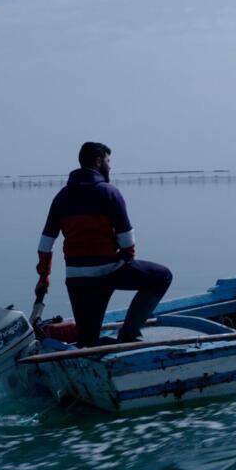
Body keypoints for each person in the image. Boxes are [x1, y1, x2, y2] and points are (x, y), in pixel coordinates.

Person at [35, 142, 172, 347]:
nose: (110, 167)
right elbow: (127, 241)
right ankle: (129, 334)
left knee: (87, 343)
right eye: (108, 162)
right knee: (162, 277)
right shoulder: (109, 193)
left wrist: (44, 278)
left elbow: (45, 245)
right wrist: (126, 260)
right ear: (98, 162)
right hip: (111, 272)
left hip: (77, 279)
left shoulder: (61, 198)